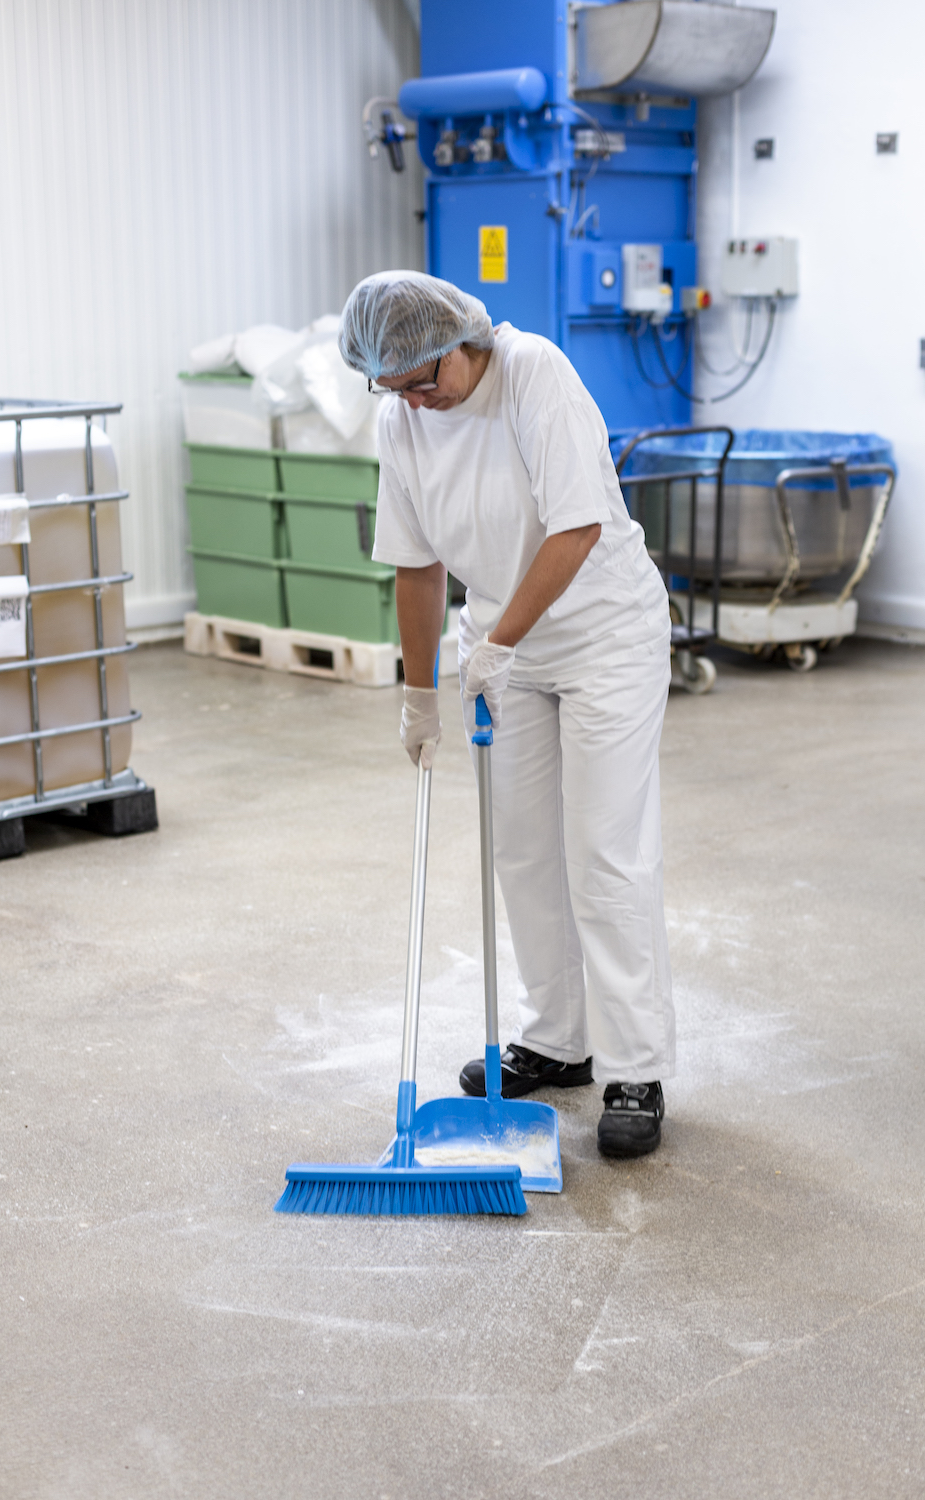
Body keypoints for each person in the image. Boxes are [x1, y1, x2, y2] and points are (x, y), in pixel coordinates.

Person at [339, 270, 674, 1159]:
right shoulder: (402, 418)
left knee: (603, 848)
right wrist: (419, 692)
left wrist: (499, 643)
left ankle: (635, 1065)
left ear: (462, 341)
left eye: (423, 378)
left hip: (603, 634)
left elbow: (576, 529)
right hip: (503, 644)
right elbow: (414, 564)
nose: (414, 399)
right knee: (520, 847)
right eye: (393, 386)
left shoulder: (535, 374)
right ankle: (558, 1040)